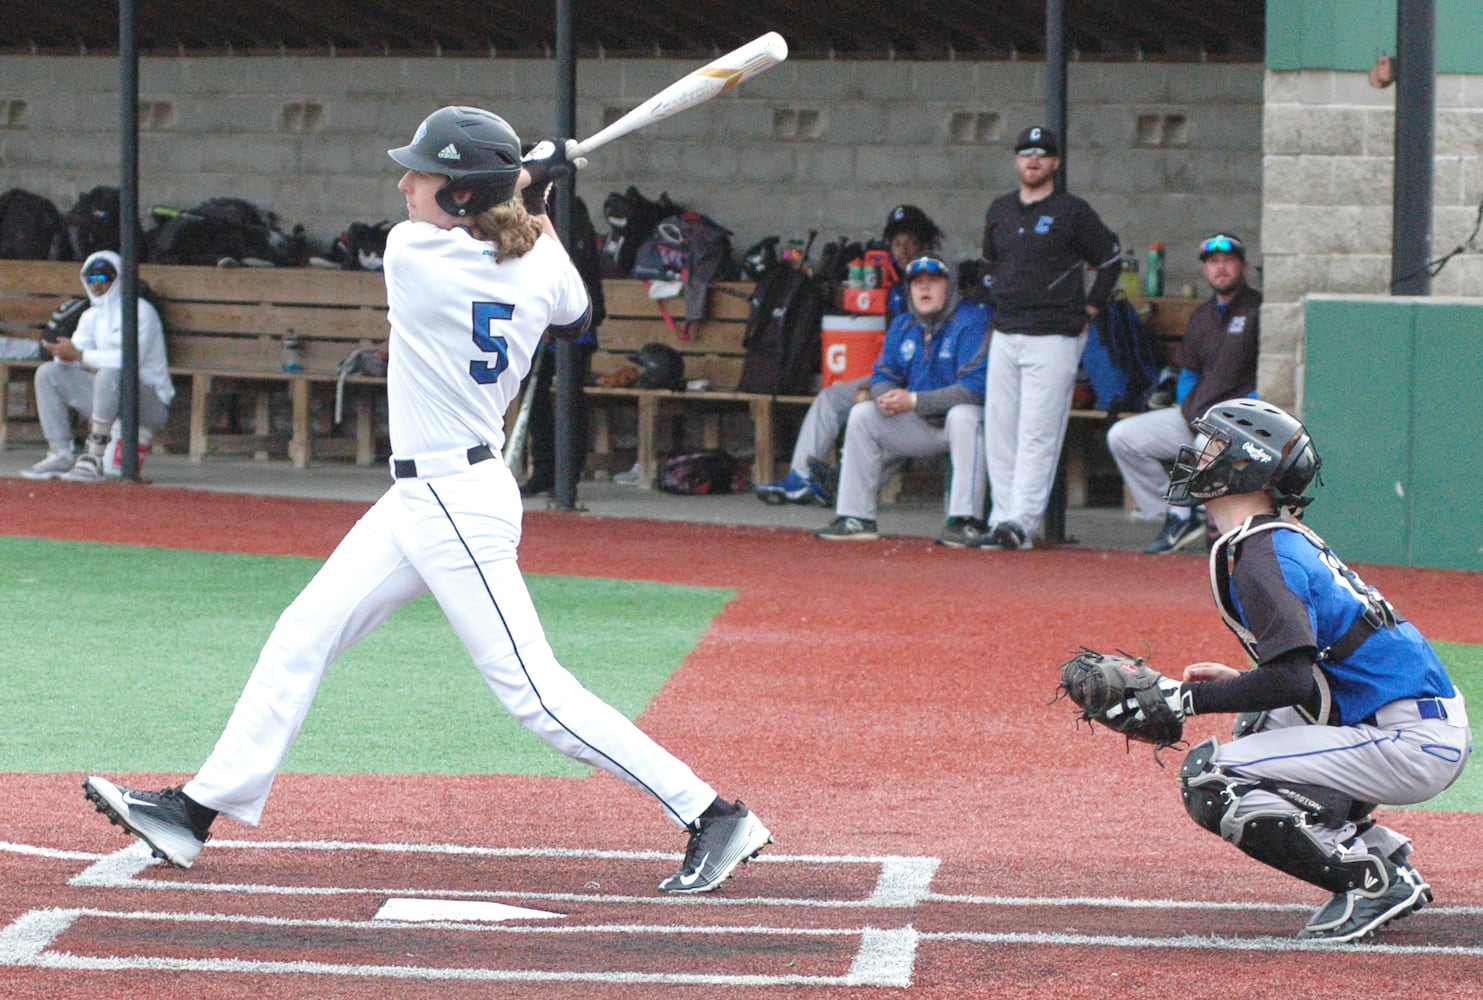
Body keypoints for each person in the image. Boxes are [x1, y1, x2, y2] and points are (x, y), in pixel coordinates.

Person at [81, 105, 771, 895]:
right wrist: (535, 201)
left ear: (465, 197)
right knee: (303, 632)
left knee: (534, 694)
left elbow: (491, 243)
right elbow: (580, 315)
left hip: (451, 500)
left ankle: (710, 813)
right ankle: (196, 811)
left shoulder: (415, 254)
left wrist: (524, 186)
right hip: (431, 495)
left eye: (425, 174)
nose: (406, 183)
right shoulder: (537, 266)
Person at [1145, 399, 1469, 942]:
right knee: (1261, 723)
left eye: (1214, 445)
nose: (1199, 455)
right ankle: (1379, 851)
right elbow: (1311, 671)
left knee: (1214, 778)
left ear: (1247, 464)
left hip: (1411, 739)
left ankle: (1371, 881)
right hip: (1415, 722)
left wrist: (1183, 699)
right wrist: (1237, 685)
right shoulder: (1277, 538)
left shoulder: (1264, 552)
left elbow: (1291, 678)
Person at [980, 126, 1122, 550]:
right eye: (1025, 154)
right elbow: (989, 262)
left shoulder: (1072, 211)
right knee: (1000, 429)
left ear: (1056, 163)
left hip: (1054, 335)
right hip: (1006, 331)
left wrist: (1091, 307)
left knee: (1038, 432)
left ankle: (1021, 522)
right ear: (1015, 160)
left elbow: (1111, 259)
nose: (1033, 160)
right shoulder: (1000, 209)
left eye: (1042, 154)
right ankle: (1001, 518)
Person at [754, 204, 943, 505]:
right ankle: (802, 477)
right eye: (897, 243)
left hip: (927, 389)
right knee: (830, 399)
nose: (903, 250)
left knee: (882, 418)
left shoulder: (938, 284)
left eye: (911, 243)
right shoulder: (896, 286)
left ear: (926, 246)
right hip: (895, 379)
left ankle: (844, 486)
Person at [815, 254, 989, 544]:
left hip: (969, 426)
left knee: (963, 415)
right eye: (917, 283)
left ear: (950, 286)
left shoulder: (972, 320)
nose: (924, 289)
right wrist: (886, 398)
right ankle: (856, 517)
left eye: (933, 282)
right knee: (863, 414)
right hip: (921, 423)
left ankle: (964, 520)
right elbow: (882, 374)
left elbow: (973, 389)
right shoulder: (903, 324)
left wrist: (914, 401)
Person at [1106, 232, 1261, 554]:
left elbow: (1270, 371)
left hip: (1236, 422)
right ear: (1205, 270)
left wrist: (1244, 411)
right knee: (1123, 437)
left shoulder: (1258, 309)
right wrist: (1189, 408)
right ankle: (1178, 512)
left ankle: (1203, 519)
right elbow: (1188, 372)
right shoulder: (1202, 315)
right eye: (1214, 262)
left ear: (1243, 266)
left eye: (1228, 261)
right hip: (1196, 416)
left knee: (1206, 444)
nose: (1221, 268)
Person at [21, 251, 175, 482]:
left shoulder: (140, 311)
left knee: (110, 374)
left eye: (103, 279)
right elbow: (76, 358)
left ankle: (93, 454)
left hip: (149, 402)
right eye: (91, 279)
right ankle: (60, 452)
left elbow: (129, 361)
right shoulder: (90, 315)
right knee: (48, 373)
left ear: (119, 278)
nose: (96, 285)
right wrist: (62, 355)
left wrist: (80, 355)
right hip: (109, 398)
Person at [517, 194, 604, 498]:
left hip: (573, 322)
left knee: (570, 397)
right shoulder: (514, 205)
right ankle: (543, 469)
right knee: (535, 397)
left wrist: (554, 318)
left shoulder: (569, 209)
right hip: (535, 322)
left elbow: (573, 268)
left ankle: (570, 472)